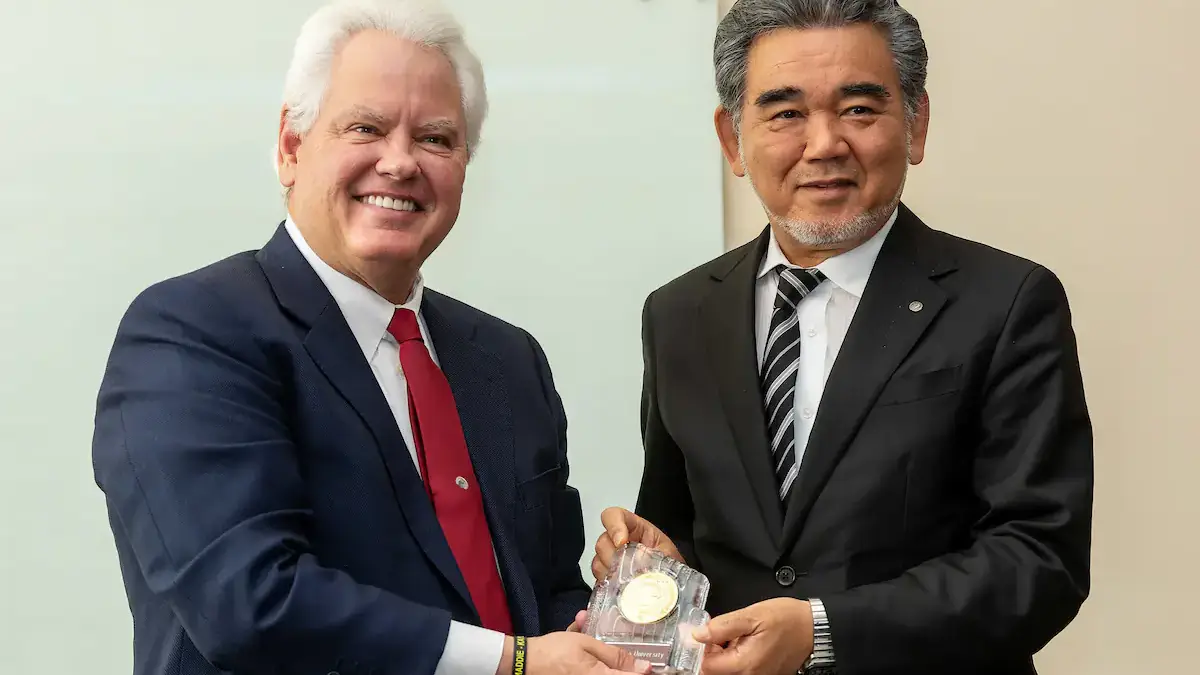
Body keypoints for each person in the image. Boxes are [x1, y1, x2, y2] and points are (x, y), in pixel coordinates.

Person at [90, 2, 651, 675]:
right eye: (366, 127)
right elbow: (249, 602)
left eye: (436, 138)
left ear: (465, 166)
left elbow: (542, 601)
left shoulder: (508, 359)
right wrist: (516, 659)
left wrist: (637, 605)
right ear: (290, 147)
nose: (400, 162)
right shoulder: (193, 332)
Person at [590, 1, 1093, 674]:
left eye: (858, 109)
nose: (823, 143)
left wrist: (823, 628)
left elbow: (1039, 557)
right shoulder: (679, 312)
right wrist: (659, 563)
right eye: (786, 112)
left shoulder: (1005, 303)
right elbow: (684, 526)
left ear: (915, 125)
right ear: (733, 139)